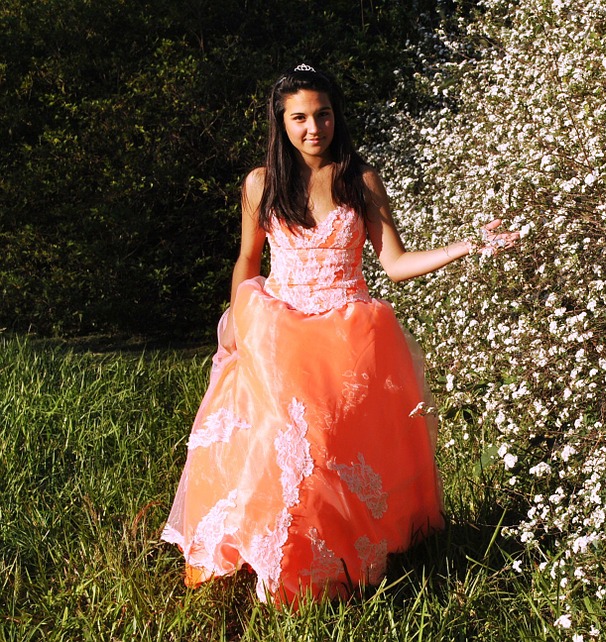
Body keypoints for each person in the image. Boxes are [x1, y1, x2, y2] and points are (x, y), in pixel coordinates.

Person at [161, 64, 518, 605]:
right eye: (299, 117)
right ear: (281, 122)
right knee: (280, 448)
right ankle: (275, 556)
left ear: (336, 117)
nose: (313, 128)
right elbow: (247, 259)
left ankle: (327, 563)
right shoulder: (262, 183)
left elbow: (393, 263)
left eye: (323, 114)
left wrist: (466, 247)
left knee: (329, 452)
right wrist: (239, 318)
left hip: (346, 333)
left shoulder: (360, 180)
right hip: (277, 329)